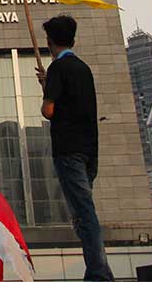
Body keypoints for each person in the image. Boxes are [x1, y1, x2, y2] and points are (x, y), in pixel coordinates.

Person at [36, 15, 114, 281]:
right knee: (84, 214)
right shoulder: (83, 68)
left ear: (49, 41)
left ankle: (98, 274)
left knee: (84, 214)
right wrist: (50, 87)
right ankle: (101, 270)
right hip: (89, 150)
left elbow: (49, 111)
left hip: (68, 150)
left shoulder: (58, 68)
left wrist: (47, 92)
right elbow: (72, 103)